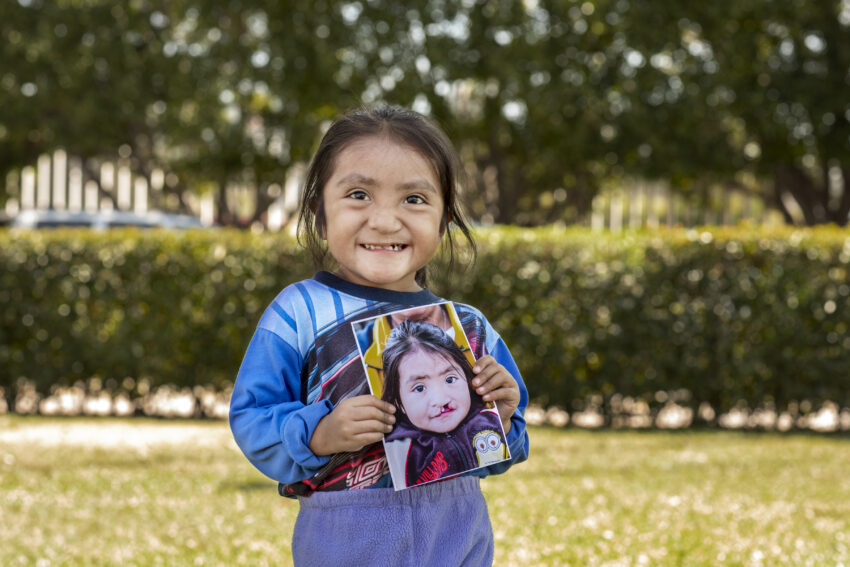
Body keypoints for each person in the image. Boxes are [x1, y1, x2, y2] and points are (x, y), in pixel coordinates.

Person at [229, 106, 529, 566]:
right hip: (345, 539)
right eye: (358, 194)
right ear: (320, 212)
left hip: (458, 533)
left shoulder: (468, 325)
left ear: (445, 216)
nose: (386, 221)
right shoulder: (298, 312)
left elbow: (505, 444)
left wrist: (502, 418)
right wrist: (321, 433)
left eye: (414, 199)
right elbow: (253, 418)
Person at [380, 320, 510, 489]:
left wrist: (503, 421)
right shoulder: (397, 448)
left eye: (450, 379)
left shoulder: (487, 415)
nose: (440, 400)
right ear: (399, 403)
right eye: (419, 388)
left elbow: (505, 461)